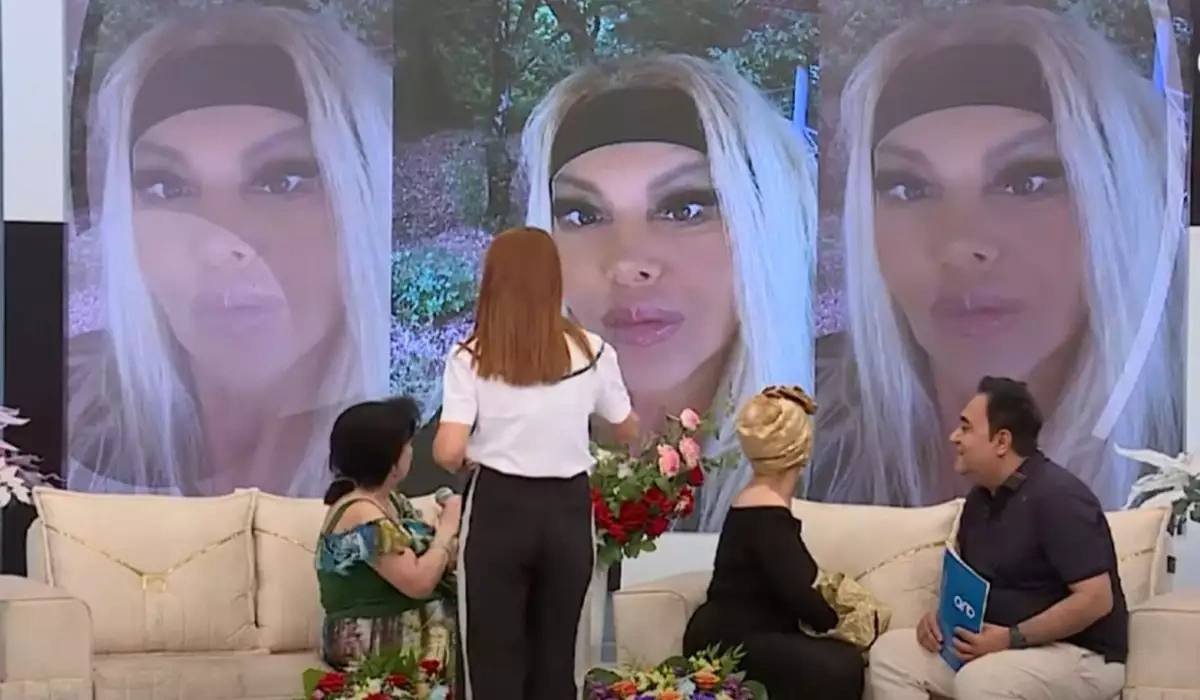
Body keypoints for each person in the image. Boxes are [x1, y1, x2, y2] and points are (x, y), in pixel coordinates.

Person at [813, 5, 1185, 510]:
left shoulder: (1183, 455)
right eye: (907, 187)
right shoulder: (804, 437)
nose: (958, 246)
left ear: (1120, 200)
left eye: (1026, 181)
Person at [67, 5, 392, 497]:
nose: (219, 243)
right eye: (166, 187)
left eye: (282, 180)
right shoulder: (63, 422)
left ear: (360, 203)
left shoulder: (435, 452)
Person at [520, 53, 820, 531]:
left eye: (684, 209)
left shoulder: (847, 472)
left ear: (764, 227)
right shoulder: (472, 453)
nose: (627, 264)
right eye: (583, 215)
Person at [432, 226, 638, 700]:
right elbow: (625, 427)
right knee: (556, 659)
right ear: (553, 280)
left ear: (493, 281)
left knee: (493, 659)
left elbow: (447, 449)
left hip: (498, 509)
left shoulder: (471, 356)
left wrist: (466, 453)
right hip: (567, 512)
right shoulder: (592, 352)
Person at [868, 376, 1128, 700]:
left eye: (965, 428)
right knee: (892, 656)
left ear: (1002, 441)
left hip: (1079, 654)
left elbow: (1095, 600)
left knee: (980, 681)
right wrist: (940, 620)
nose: (954, 437)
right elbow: (971, 588)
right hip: (1000, 647)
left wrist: (1010, 638)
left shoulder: (1060, 497)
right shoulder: (979, 502)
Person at [683, 385, 866, 699]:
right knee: (843, 665)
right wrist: (848, 623)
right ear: (801, 448)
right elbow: (800, 596)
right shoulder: (769, 517)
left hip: (724, 633)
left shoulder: (749, 502)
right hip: (735, 644)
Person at [315, 396, 460, 672]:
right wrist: (447, 529)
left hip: (416, 631)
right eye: (407, 445)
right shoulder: (360, 514)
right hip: (372, 643)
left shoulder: (391, 501)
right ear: (389, 459)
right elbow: (418, 582)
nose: (411, 451)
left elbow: (431, 556)